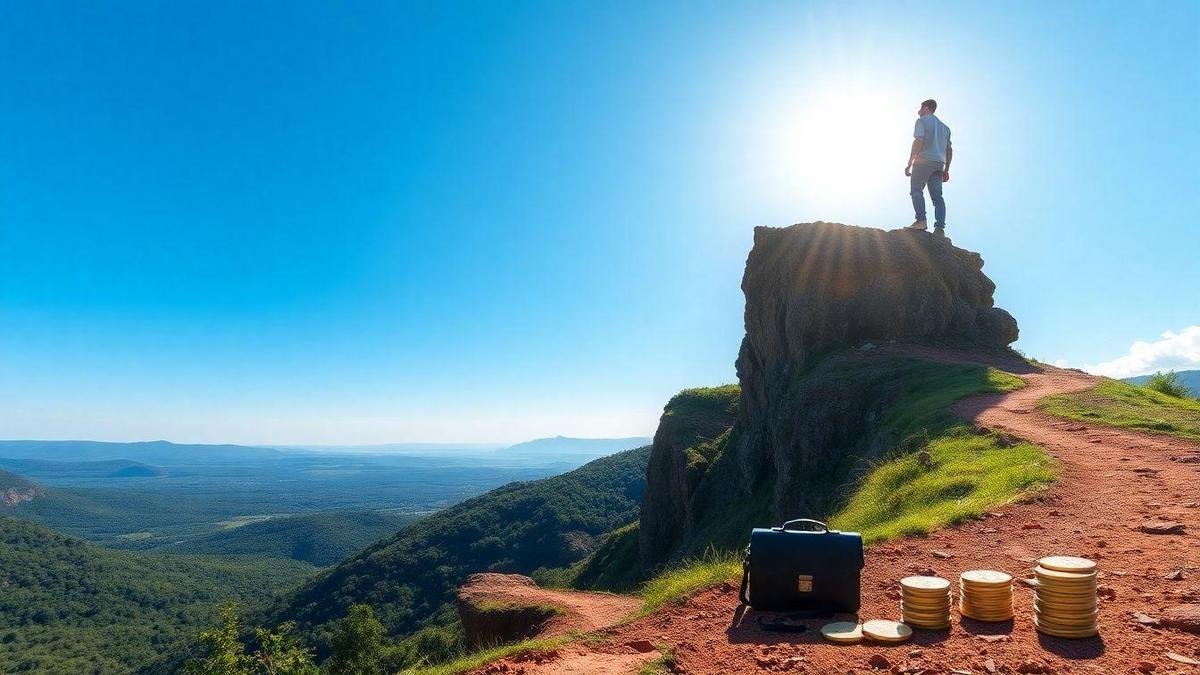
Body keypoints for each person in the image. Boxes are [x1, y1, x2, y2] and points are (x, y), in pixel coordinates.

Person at [905, 99, 952, 236]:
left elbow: (918, 141)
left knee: (916, 190)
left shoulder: (922, 121)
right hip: (939, 164)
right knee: (938, 198)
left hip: (924, 160)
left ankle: (921, 221)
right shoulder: (946, 128)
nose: (918, 111)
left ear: (926, 108)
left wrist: (910, 163)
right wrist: (946, 169)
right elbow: (949, 150)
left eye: (920, 108)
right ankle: (940, 229)